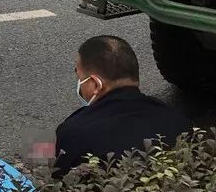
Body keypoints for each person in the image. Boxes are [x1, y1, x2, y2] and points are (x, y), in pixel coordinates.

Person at [54, 36, 191, 178]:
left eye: (79, 77)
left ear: (96, 84)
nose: (79, 84)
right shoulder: (177, 120)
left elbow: (54, 186)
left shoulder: (72, 133)